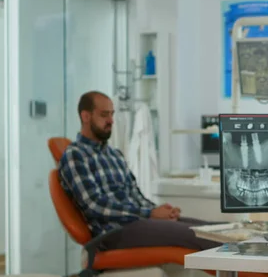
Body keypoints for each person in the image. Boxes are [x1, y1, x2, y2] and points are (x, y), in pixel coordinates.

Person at [59, 91, 221, 251]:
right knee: (198, 235)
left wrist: (162, 212)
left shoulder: (115, 155)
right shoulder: (76, 154)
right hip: (113, 233)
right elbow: (94, 205)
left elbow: (136, 196)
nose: (111, 121)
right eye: (104, 115)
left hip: (138, 223)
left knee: (217, 230)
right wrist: (150, 213)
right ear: (85, 116)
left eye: (112, 114)